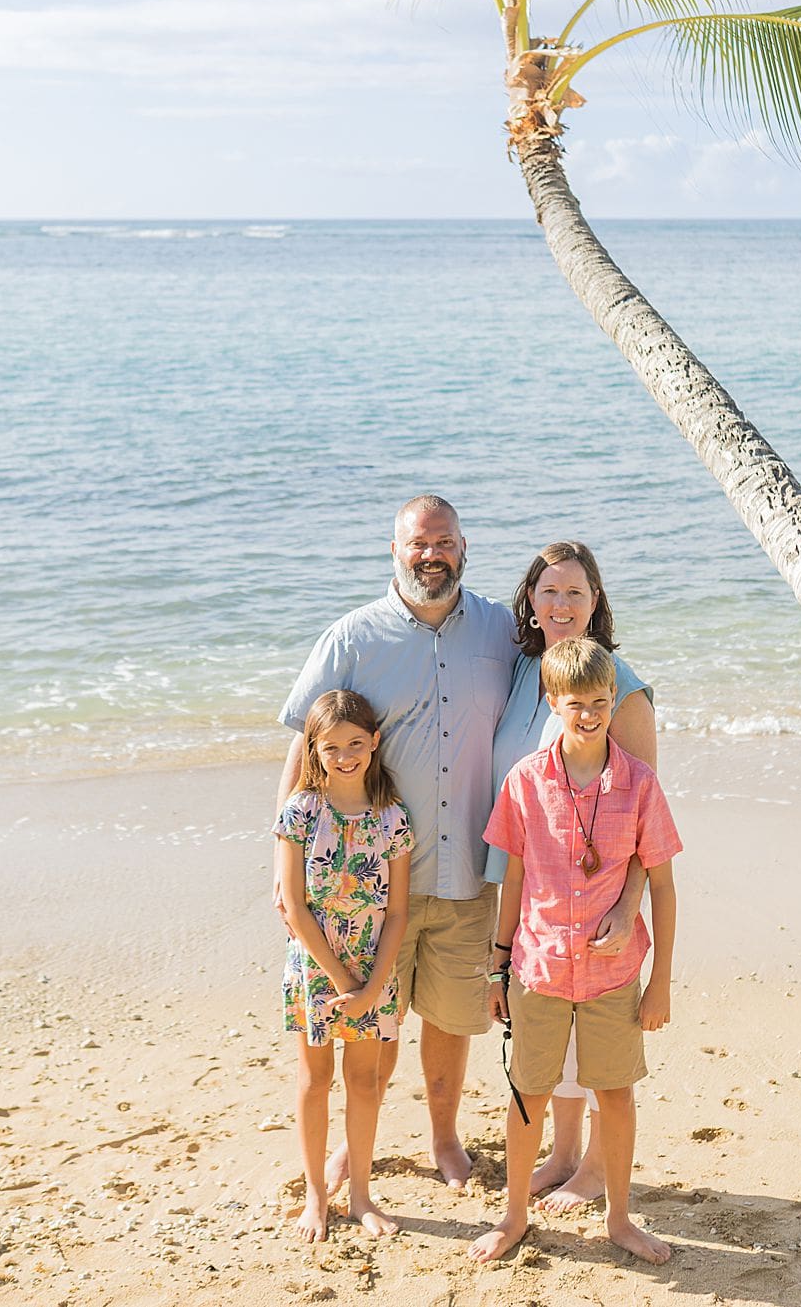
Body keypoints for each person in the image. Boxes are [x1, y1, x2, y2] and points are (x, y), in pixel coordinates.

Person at [276, 494, 517, 1189]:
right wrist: (280, 862)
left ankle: (444, 1139)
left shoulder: (500, 629)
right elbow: (304, 746)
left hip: (468, 867)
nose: (430, 554)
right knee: (371, 1022)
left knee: (451, 1017)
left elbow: (562, 679)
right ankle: (357, 1146)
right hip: (371, 883)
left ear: (464, 547)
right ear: (394, 551)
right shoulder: (352, 637)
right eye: (417, 544)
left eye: (443, 542)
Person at [470, 636, 681, 1266]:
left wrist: (661, 981)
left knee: (613, 1093)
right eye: (573, 703)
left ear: (613, 700)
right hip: (537, 968)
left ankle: (619, 1218)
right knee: (527, 1092)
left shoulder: (639, 785)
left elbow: (663, 888)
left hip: (614, 976)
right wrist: (498, 966)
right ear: (551, 702)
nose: (587, 714)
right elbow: (512, 881)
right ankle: (512, 1218)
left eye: (598, 701)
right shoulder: (524, 783)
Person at [486, 539, 656, 1208]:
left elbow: (642, 816)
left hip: (601, 902)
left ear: (595, 602)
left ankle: (591, 1167)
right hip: (534, 899)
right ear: (530, 599)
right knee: (546, 1044)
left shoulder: (623, 686)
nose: (560, 603)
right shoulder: (528, 671)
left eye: (575, 592)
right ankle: (560, 1152)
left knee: (600, 1054)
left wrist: (629, 903)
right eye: (548, 590)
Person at [274, 689, 414, 1242]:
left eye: (356, 743)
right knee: (315, 1079)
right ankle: (316, 1196)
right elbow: (294, 906)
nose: (346, 754)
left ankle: (360, 1196)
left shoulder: (393, 818)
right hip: (318, 968)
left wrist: (371, 986)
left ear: (374, 742)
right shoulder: (300, 813)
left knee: (365, 1079)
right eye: (332, 746)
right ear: (314, 748)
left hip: (374, 967)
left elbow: (399, 914)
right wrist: (342, 981)